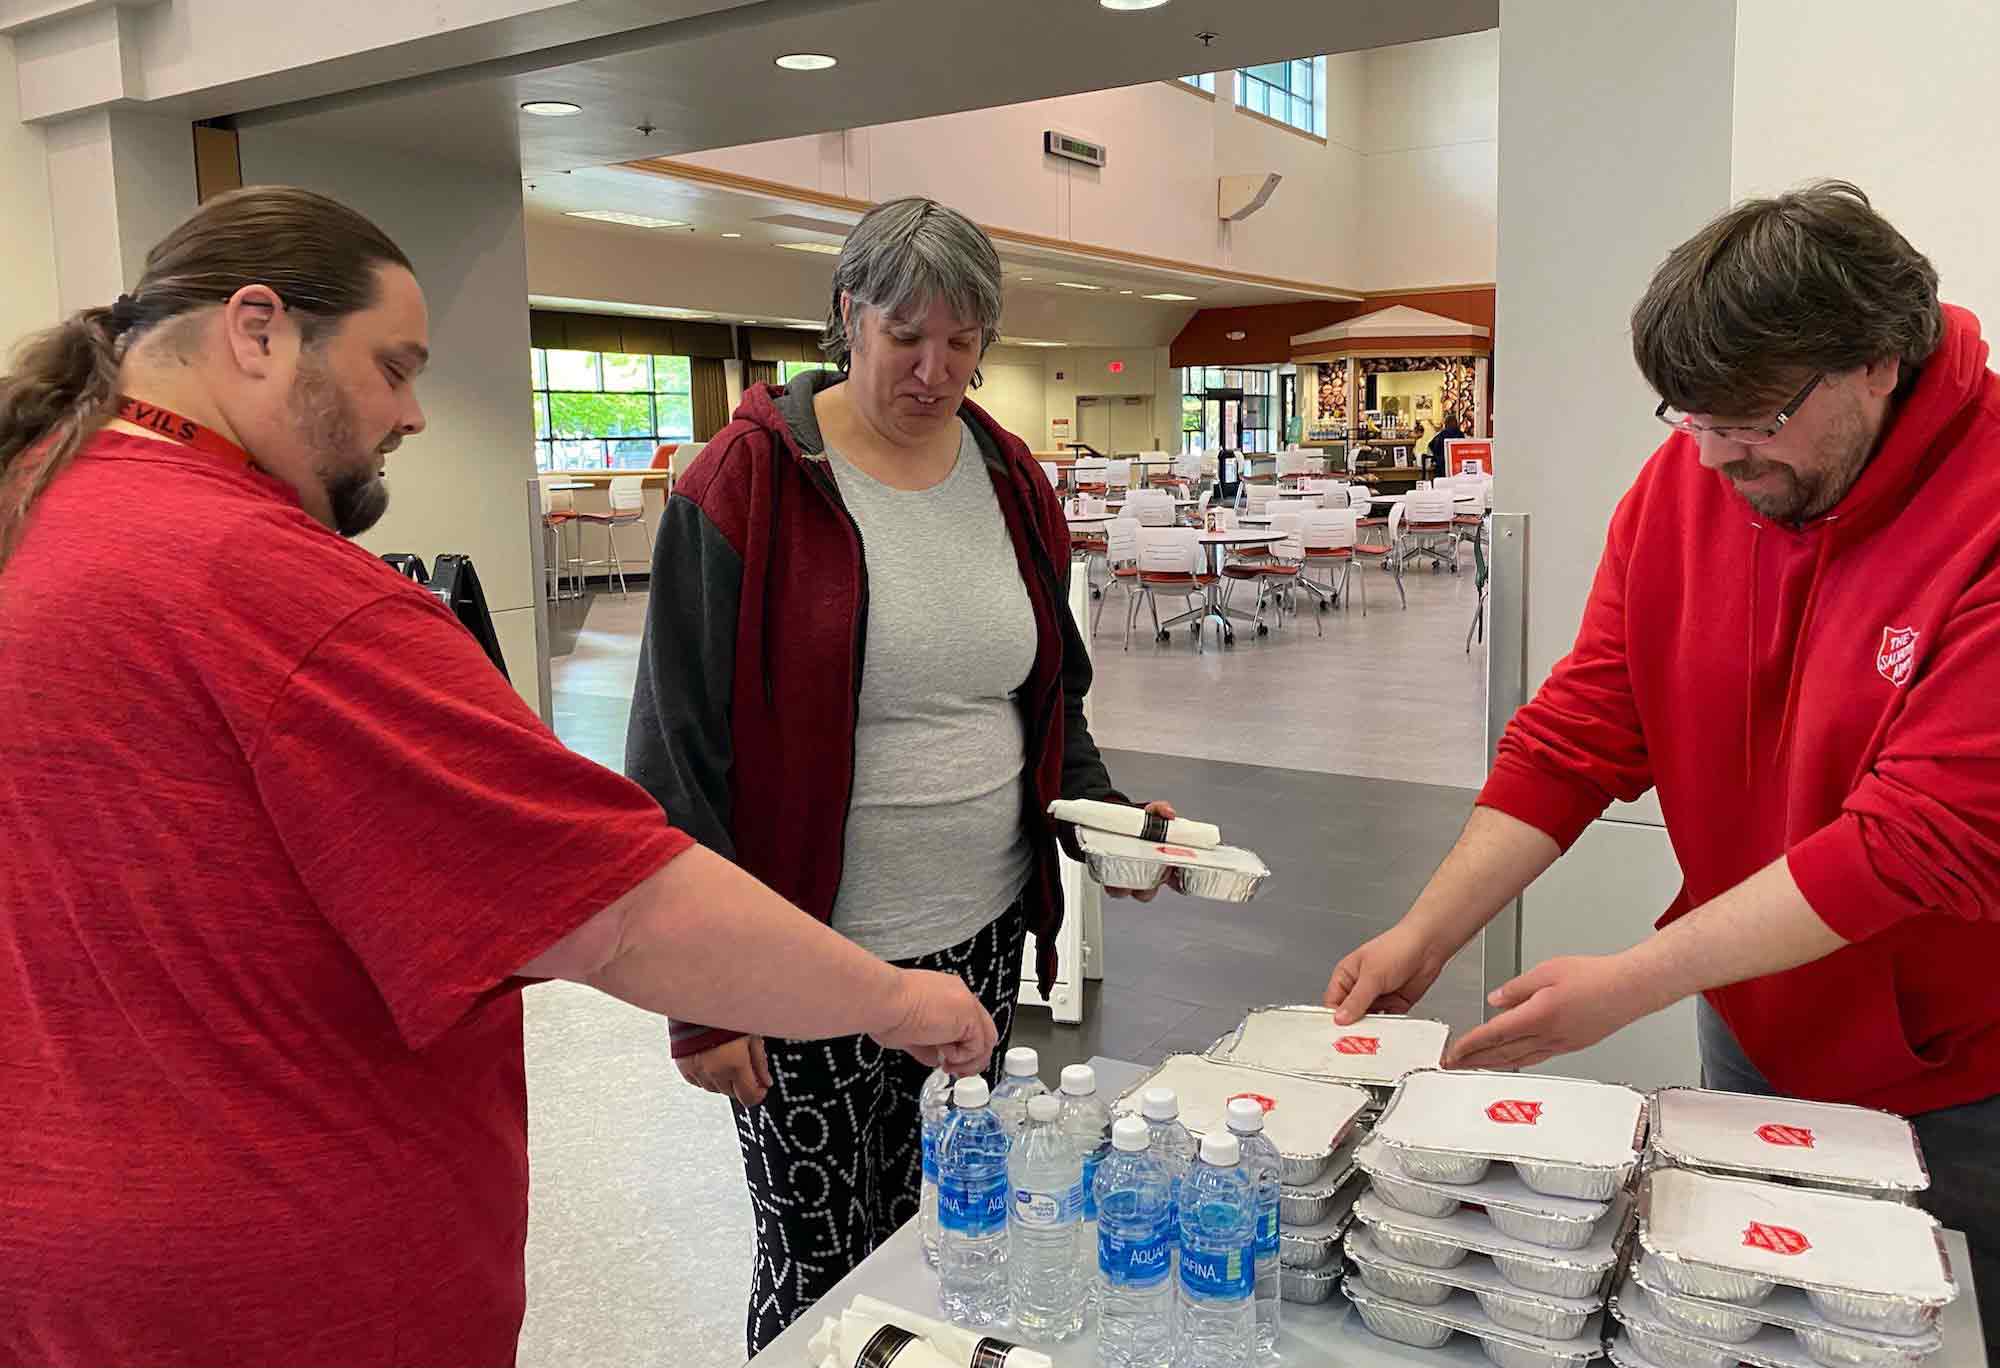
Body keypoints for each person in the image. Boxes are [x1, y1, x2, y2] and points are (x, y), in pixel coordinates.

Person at [0, 187, 998, 1368]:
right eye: (394, 366)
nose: (414, 414)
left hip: (71, 1234)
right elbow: (619, 913)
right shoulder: (276, 593)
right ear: (257, 329)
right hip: (277, 1267)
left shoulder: (42, 514)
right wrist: (895, 1001)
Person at [1326, 180, 2000, 1349]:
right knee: (1739, 1321)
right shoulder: (1689, 484)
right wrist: (1424, 933)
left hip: (1958, 1074)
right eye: (1687, 417)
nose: (1717, 454)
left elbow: (1917, 840)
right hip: (1748, 1020)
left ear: (1876, 364)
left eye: (1749, 418)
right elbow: (1579, 730)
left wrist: (1631, 980)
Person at [626, 195, 1174, 1354]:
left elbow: (1044, 699)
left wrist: (1107, 822)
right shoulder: (747, 482)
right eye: (905, 337)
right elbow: (678, 756)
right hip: (800, 958)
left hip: (975, 936)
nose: (936, 370)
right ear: (846, 316)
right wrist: (702, 1003)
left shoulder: (1006, 473)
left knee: (940, 1236)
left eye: (964, 342)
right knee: (821, 1254)